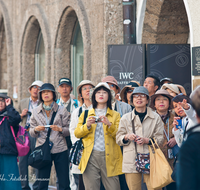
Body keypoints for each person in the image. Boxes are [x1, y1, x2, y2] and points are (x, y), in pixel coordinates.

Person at [74, 82, 123, 190]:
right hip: (90, 156)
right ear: (94, 96)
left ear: (109, 96)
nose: (101, 94)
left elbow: (120, 136)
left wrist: (109, 124)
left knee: (114, 187)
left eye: (104, 92)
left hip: (110, 156)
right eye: (98, 92)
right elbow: (77, 133)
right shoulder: (86, 113)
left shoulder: (116, 115)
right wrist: (86, 125)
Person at [116, 86, 164, 190]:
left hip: (151, 159)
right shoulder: (125, 118)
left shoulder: (156, 117)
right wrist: (127, 136)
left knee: (155, 188)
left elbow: (160, 139)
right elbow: (118, 138)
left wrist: (147, 140)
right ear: (132, 100)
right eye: (136, 96)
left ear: (147, 100)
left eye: (142, 96)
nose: (139, 98)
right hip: (131, 160)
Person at [29, 83, 71, 190]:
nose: (45, 94)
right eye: (43, 92)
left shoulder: (62, 110)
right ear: (40, 95)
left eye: (48, 92)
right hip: (42, 149)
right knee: (42, 182)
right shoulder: (35, 112)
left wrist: (60, 129)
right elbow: (31, 132)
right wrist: (36, 129)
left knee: (63, 181)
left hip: (60, 148)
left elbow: (70, 130)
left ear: (53, 94)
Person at [102, 76, 131, 190]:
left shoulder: (126, 107)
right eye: (105, 87)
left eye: (111, 86)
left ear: (117, 90)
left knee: (122, 180)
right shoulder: (95, 108)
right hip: (104, 148)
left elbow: (129, 127)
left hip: (121, 148)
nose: (109, 88)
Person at [18, 80, 43, 190]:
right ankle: (24, 186)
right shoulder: (22, 102)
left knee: (38, 160)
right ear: (30, 89)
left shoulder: (43, 103)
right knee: (22, 161)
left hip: (37, 133)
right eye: (34, 87)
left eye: (39, 88)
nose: (36, 90)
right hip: (23, 133)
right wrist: (21, 114)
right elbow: (14, 118)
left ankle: (37, 186)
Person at [69, 80, 95, 190]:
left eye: (90, 88)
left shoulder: (99, 109)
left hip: (97, 152)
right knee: (81, 183)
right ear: (80, 94)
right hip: (82, 152)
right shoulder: (77, 111)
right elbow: (73, 131)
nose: (88, 90)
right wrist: (80, 146)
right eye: (85, 88)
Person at [149, 89, 177, 190]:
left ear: (169, 103)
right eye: (158, 99)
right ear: (154, 104)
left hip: (172, 159)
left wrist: (175, 139)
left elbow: (184, 133)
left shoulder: (176, 117)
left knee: (173, 185)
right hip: (156, 159)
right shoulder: (149, 118)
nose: (161, 102)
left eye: (165, 99)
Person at [176, 86, 200, 190]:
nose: (179, 107)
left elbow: (187, 183)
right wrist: (176, 132)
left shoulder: (192, 144)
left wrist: (187, 108)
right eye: (175, 106)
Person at [0, 94, 22, 189]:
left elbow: (16, 119)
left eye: (3, 100)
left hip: (8, 151)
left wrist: (9, 107)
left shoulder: (10, 116)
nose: (0, 103)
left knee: (11, 181)